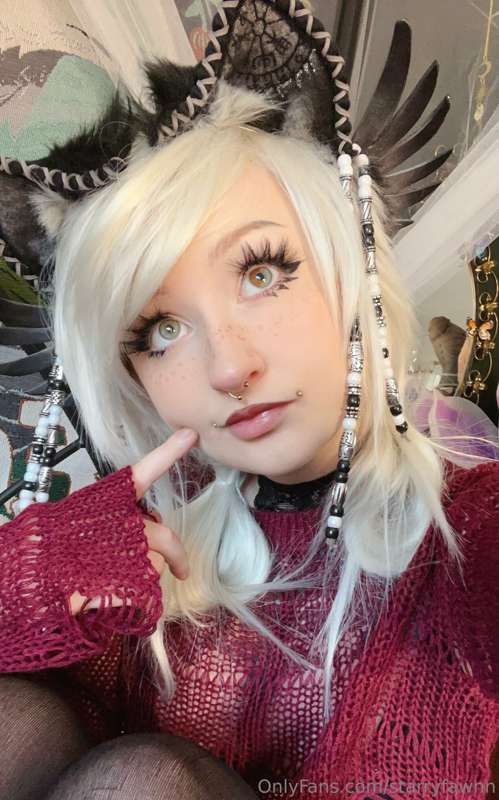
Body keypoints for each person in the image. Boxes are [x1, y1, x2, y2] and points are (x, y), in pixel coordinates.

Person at [0, 2, 498, 798]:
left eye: (262, 273)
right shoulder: (149, 535)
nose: (228, 367)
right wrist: (26, 577)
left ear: (348, 271)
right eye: (160, 330)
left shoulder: (469, 524)